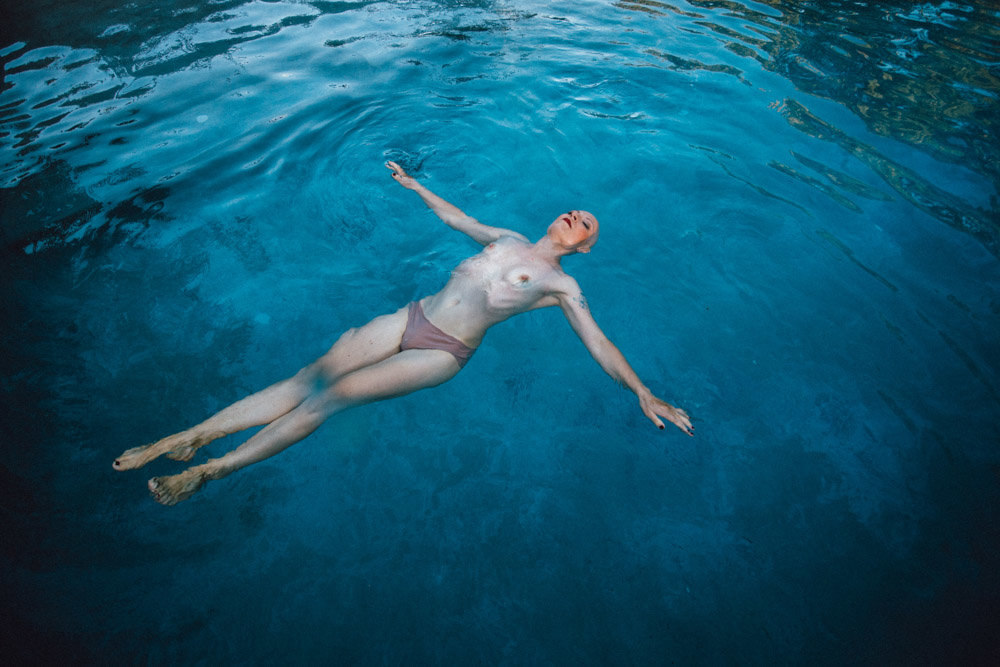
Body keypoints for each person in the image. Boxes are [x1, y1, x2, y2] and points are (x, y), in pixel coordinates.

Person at [113, 160, 694, 505]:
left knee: (331, 398)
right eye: (574, 209)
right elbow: (459, 219)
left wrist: (640, 390)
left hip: (443, 352)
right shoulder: (511, 238)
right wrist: (417, 187)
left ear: (585, 245)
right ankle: (184, 437)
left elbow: (598, 341)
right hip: (411, 316)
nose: (576, 215)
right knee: (308, 378)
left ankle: (209, 470)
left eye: (586, 222)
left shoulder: (561, 286)